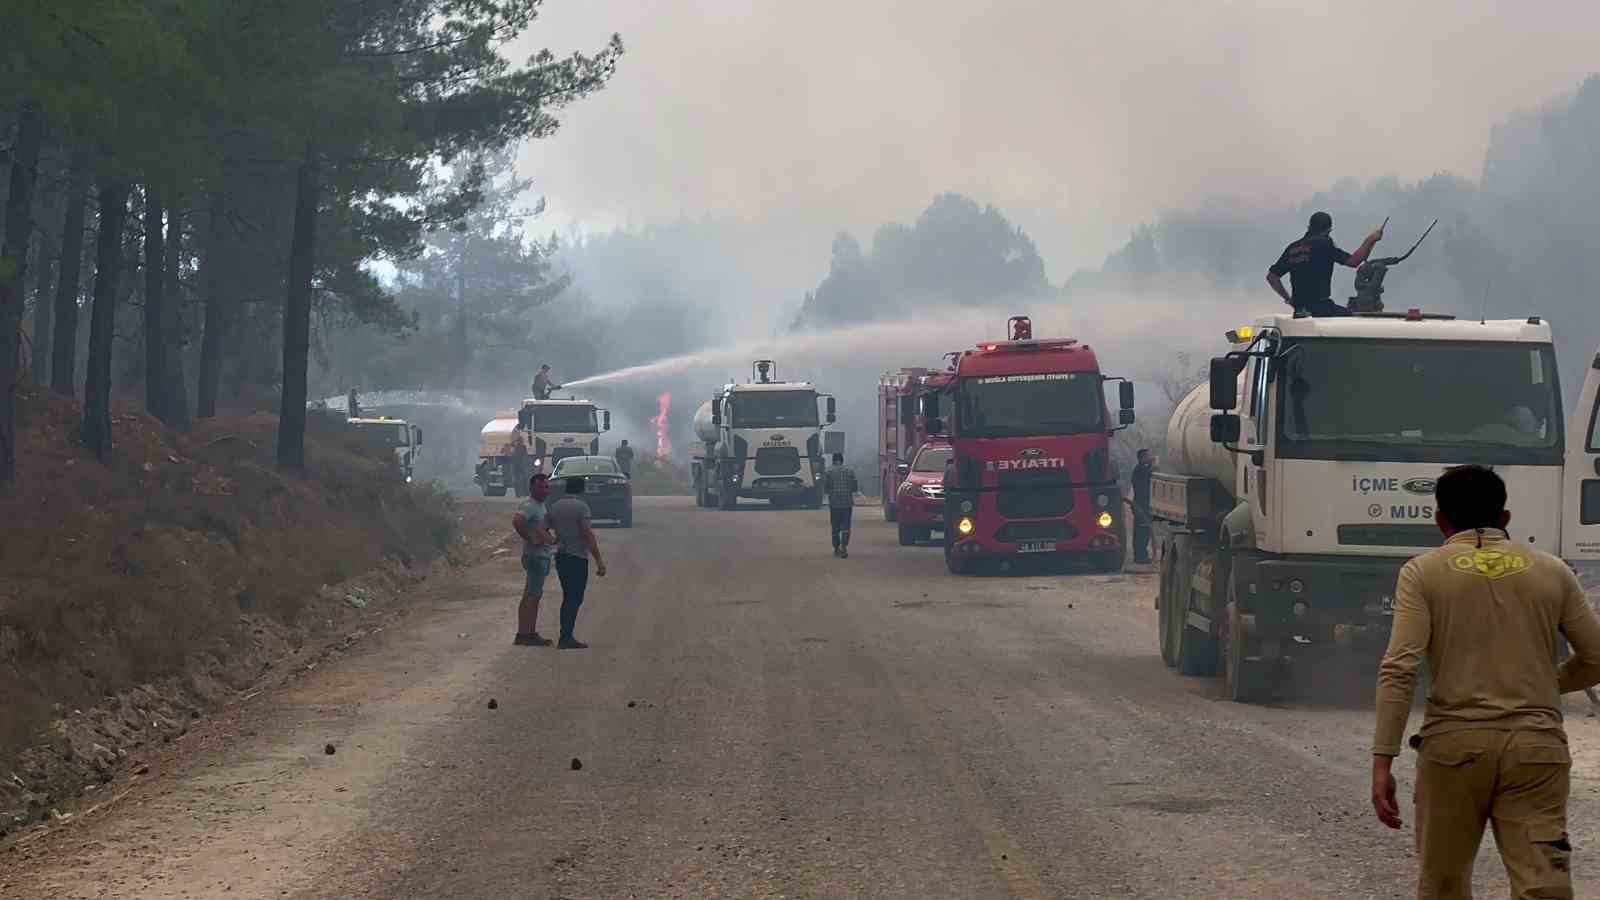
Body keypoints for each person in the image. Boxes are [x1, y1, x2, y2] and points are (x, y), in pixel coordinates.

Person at [1371, 464, 1600, 899]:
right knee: (1544, 887)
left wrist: (1383, 759)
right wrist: (1546, 685)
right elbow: (1597, 657)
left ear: (1440, 520)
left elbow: (1399, 668)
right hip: (1537, 751)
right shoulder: (1552, 571)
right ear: (1506, 518)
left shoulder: (1422, 573)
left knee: (1443, 885)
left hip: (1453, 751)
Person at [1267, 211, 1384, 317]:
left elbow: (1272, 277)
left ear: (1309, 227)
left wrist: (1288, 299)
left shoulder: (1293, 248)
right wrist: (1370, 240)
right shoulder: (1324, 244)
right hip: (1321, 308)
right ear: (1328, 231)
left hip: (1300, 310)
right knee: (1352, 319)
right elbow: (1354, 261)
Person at [546, 475, 607, 649]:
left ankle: (565, 635)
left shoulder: (554, 506)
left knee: (567, 596)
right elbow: (587, 534)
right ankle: (566, 637)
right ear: (582, 490)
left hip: (561, 555)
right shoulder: (581, 507)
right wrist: (599, 560)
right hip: (577, 557)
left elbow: (542, 529)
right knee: (575, 597)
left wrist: (554, 542)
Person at [510, 474, 556, 647]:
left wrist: (552, 542)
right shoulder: (529, 505)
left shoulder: (540, 506)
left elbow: (541, 529)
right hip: (535, 556)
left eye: (546, 487)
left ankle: (528, 632)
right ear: (532, 488)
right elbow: (517, 521)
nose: (544, 490)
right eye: (540, 487)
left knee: (532, 595)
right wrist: (530, 538)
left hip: (540, 555)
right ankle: (525, 633)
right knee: (532, 595)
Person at [820, 452, 859, 558]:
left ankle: (836, 548)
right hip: (847, 504)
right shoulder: (850, 471)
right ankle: (844, 546)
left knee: (835, 527)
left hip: (834, 504)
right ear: (842, 460)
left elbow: (826, 488)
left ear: (833, 460)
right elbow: (855, 487)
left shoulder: (828, 471)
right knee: (846, 526)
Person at [1130, 449, 1155, 565]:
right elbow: (1146, 484)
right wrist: (1154, 467)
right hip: (1141, 506)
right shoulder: (1140, 470)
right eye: (1149, 455)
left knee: (1144, 532)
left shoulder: (1142, 469)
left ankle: (1141, 555)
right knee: (1141, 533)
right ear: (1142, 457)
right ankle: (1140, 556)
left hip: (1143, 506)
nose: (1152, 457)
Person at [509, 431, 530, 495]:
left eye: (520, 441)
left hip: (519, 465)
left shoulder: (521, 447)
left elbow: (524, 457)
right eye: (520, 441)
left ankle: (521, 493)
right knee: (519, 480)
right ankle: (520, 493)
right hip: (517, 465)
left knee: (521, 480)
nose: (520, 442)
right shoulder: (517, 447)